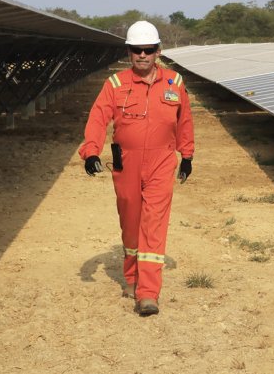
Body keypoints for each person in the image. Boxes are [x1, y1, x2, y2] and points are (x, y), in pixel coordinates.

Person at [78, 20, 194, 316]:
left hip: (162, 161)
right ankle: (131, 276)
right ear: (129, 52)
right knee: (131, 223)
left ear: (158, 51)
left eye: (148, 50)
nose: (142, 55)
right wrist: (91, 151)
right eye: (136, 50)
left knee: (153, 224)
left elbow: (184, 121)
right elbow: (97, 118)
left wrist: (187, 155)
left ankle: (148, 293)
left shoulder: (174, 82)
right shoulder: (115, 85)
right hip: (126, 163)